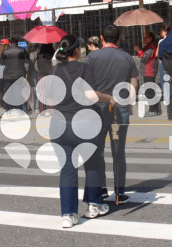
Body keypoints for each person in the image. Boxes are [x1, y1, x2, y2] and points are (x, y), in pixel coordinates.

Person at [51, 34, 114, 228]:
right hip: (84, 124)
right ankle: (94, 205)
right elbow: (91, 95)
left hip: (59, 125)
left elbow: (51, 100)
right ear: (77, 50)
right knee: (93, 164)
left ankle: (68, 215)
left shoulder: (54, 72)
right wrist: (109, 98)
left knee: (67, 170)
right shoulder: (84, 68)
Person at [85, 24, 138, 203]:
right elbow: (134, 84)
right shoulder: (127, 57)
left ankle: (100, 188)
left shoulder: (92, 57)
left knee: (97, 150)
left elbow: (86, 85)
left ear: (101, 38)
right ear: (119, 38)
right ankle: (120, 192)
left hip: (98, 109)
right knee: (118, 152)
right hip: (120, 109)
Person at [137, 31, 161, 116]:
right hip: (147, 70)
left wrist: (139, 51)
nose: (144, 39)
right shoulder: (148, 47)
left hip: (149, 70)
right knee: (149, 90)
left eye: (146, 37)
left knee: (150, 91)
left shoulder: (152, 47)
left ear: (151, 38)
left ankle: (153, 110)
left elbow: (144, 57)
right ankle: (153, 109)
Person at [1, 37, 28, 111]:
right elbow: (26, 60)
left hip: (8, 74)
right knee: (18, 92)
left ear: (10, 43)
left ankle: (9, 109)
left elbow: (1, 62)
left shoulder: (5, 51)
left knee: (8, 92)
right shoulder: (22, 50)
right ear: (17, 42)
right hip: (19, 74)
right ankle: (19, 108)